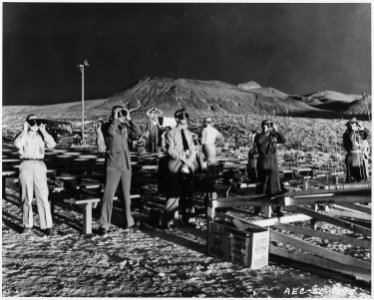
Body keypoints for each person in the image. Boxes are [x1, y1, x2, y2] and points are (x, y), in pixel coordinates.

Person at [96, 106, 141, 235]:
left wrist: (129, 118)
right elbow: (111, 132)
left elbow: (137, 133)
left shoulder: (124, 127)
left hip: (126, 165)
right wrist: (115, 119)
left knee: (127, 196)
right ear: (113, 114)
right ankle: (104, 224)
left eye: (122, 113)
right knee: (108, 195)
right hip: (113, 165)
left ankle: (129, 221)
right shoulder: (106, 126)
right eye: (119, 113)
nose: (121, 115)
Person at [14, 114, 57, 235]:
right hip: (26, 164)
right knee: (26, 196)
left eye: (36, 121)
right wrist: (24, 130)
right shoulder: (23, 135)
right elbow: (17, 144)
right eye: (32, 121)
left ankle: (47, 225)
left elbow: (52, 145)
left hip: (39, 165)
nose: (34, 123)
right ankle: (27, 224)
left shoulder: (41, 136)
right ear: (27, 122)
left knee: (43, 195)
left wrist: (44, 132)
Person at [162, 108, 197, 228]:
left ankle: (189, 218)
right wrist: (183, 159)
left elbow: (193, 149)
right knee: (173, 193)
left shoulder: (189, 133)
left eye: (185, 116)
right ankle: (168, 220)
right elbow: (170, 150)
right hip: (176, 165)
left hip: (188, 165)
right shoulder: (170, 133)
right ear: (176, 119)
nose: (184, 118)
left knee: (188, 193)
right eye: (181, 116)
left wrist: (190, 161)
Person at [253, 119, 286, 217]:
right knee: (261, 186)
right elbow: (259, 141)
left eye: (268, 125)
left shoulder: (273, 136)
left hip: (273, 161)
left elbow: (283, 140)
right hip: (263, 161)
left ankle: (276, 209)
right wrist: (267, 132)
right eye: (265, 125)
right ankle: (257, 208)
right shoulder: (259, 136)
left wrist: (277, 131)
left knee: (275, 187)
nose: (266, 127)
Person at [200, 117, 225, 203]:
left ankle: (206, 200)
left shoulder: (204, 130)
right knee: (213, 178)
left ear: (205, 122)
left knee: (205, 178)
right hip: (213, 154)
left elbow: (202, 143)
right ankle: (213, 198)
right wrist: (215, 145)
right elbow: (222, 140)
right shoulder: (214, 131)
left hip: (207, 152)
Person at [343, 118, 367, 183]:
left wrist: (362, 127)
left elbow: (367, 134)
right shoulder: (347, 134)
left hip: (359, 156)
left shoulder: (359, 132)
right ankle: (350, 183)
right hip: (352, 156)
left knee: (360, 173)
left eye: (353, 125)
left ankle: (360, 182)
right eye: (350, 125)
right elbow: (346, 145)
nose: (352, 126)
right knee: (351, 174)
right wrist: (351, 151)